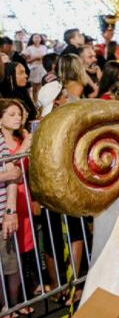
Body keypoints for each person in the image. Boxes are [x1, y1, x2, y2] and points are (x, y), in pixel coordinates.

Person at [0, 100, 36, 316]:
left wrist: (9, 210)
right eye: (12, 114)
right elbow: (11, 172)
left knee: (11, 261)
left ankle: (12, 304)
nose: (17, 118)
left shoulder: (11, 141)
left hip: (10, 206)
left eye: (19, 114)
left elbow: (14, 176)